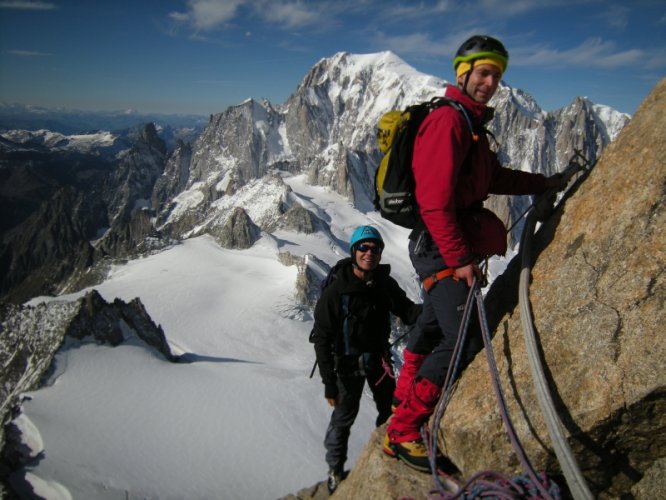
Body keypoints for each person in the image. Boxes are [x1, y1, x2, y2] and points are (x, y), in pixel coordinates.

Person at [383, 35, 567, 471]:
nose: (490, 82)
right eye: (483, 72)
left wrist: (542, 183)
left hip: (445, 244)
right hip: (442, 246)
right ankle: (403, 431)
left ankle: (400, 397)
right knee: (462, 338)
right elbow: (433, 200)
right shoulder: (449, 122)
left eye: (497, 75)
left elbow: (492, 177)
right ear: (461, 73)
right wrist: (460, 259)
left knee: (431, 324)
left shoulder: (469, 123)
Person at [311, 225, 422, 493]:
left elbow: (407, 311)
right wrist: (328, 383)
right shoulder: (335, 293)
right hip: (346, 369)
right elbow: (322, 340)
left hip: (378, 362)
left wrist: (435, 308)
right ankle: (335, 470)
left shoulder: (384, 284)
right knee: (343, 420)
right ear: (353, 252)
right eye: (363, 247)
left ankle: (388, 448)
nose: (369, 253)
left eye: (375, 248)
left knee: (390, 410)